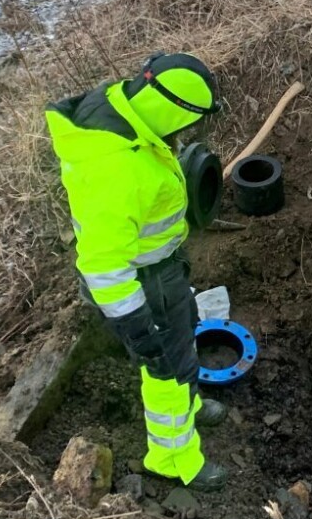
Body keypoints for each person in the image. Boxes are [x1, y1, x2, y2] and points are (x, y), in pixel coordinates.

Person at [45, 52, 229, 491]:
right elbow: (103, 266)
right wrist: (136, 323)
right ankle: (173, 457)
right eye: (187, 122)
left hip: (161, 268)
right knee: (164, 368)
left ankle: (191, 397)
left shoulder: (122, 110)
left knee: (183, 341)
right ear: (171, 109)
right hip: (142, 283)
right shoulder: (117, 171)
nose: (187, 133)